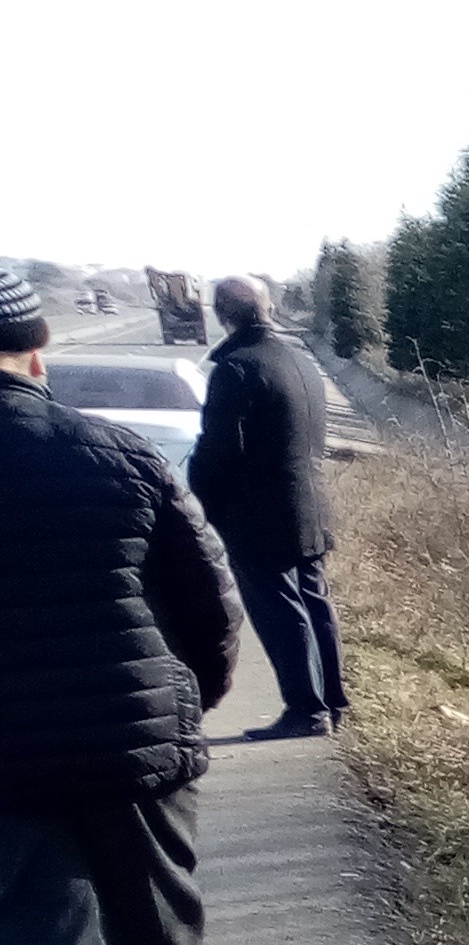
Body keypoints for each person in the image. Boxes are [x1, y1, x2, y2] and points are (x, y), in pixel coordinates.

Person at [0, 265, 243, 945]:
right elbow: (208, 599)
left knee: (39, 938)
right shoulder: (115, 452)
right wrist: (191, 700)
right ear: (38, 349)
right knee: (152, 900)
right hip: (127, 730)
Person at [191, 272, 350, 736]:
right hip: (309, 501)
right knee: (314, 603)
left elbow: (218, 448)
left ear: (222, 316)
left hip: (259, 512)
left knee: (281, 611)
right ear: (270, 309)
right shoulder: (298, 360)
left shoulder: (237, 367)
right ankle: (332, 702)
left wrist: (199, 502)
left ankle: (307, 710)